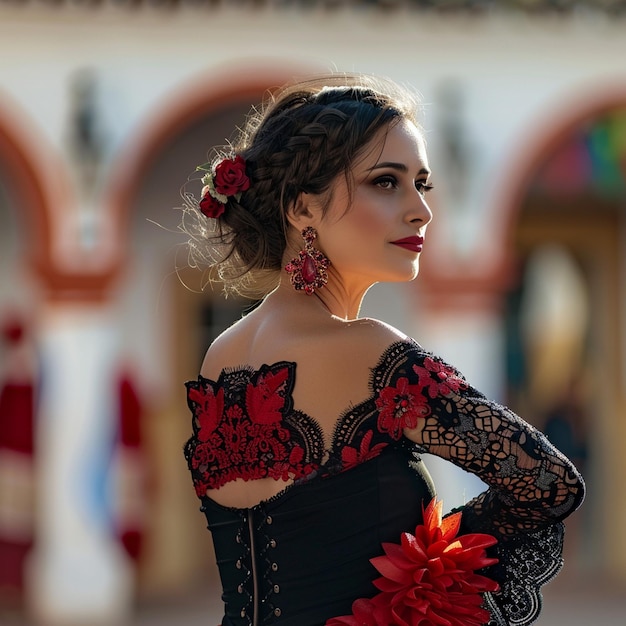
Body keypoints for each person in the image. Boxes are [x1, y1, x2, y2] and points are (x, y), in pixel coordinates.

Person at [182, 74, 585, 626]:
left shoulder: (220, 356)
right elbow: (548, 482)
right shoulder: (370, 351)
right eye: (386, 182)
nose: (421, 210)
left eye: (422, 183)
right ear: (302, 210)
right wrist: (426, 575)